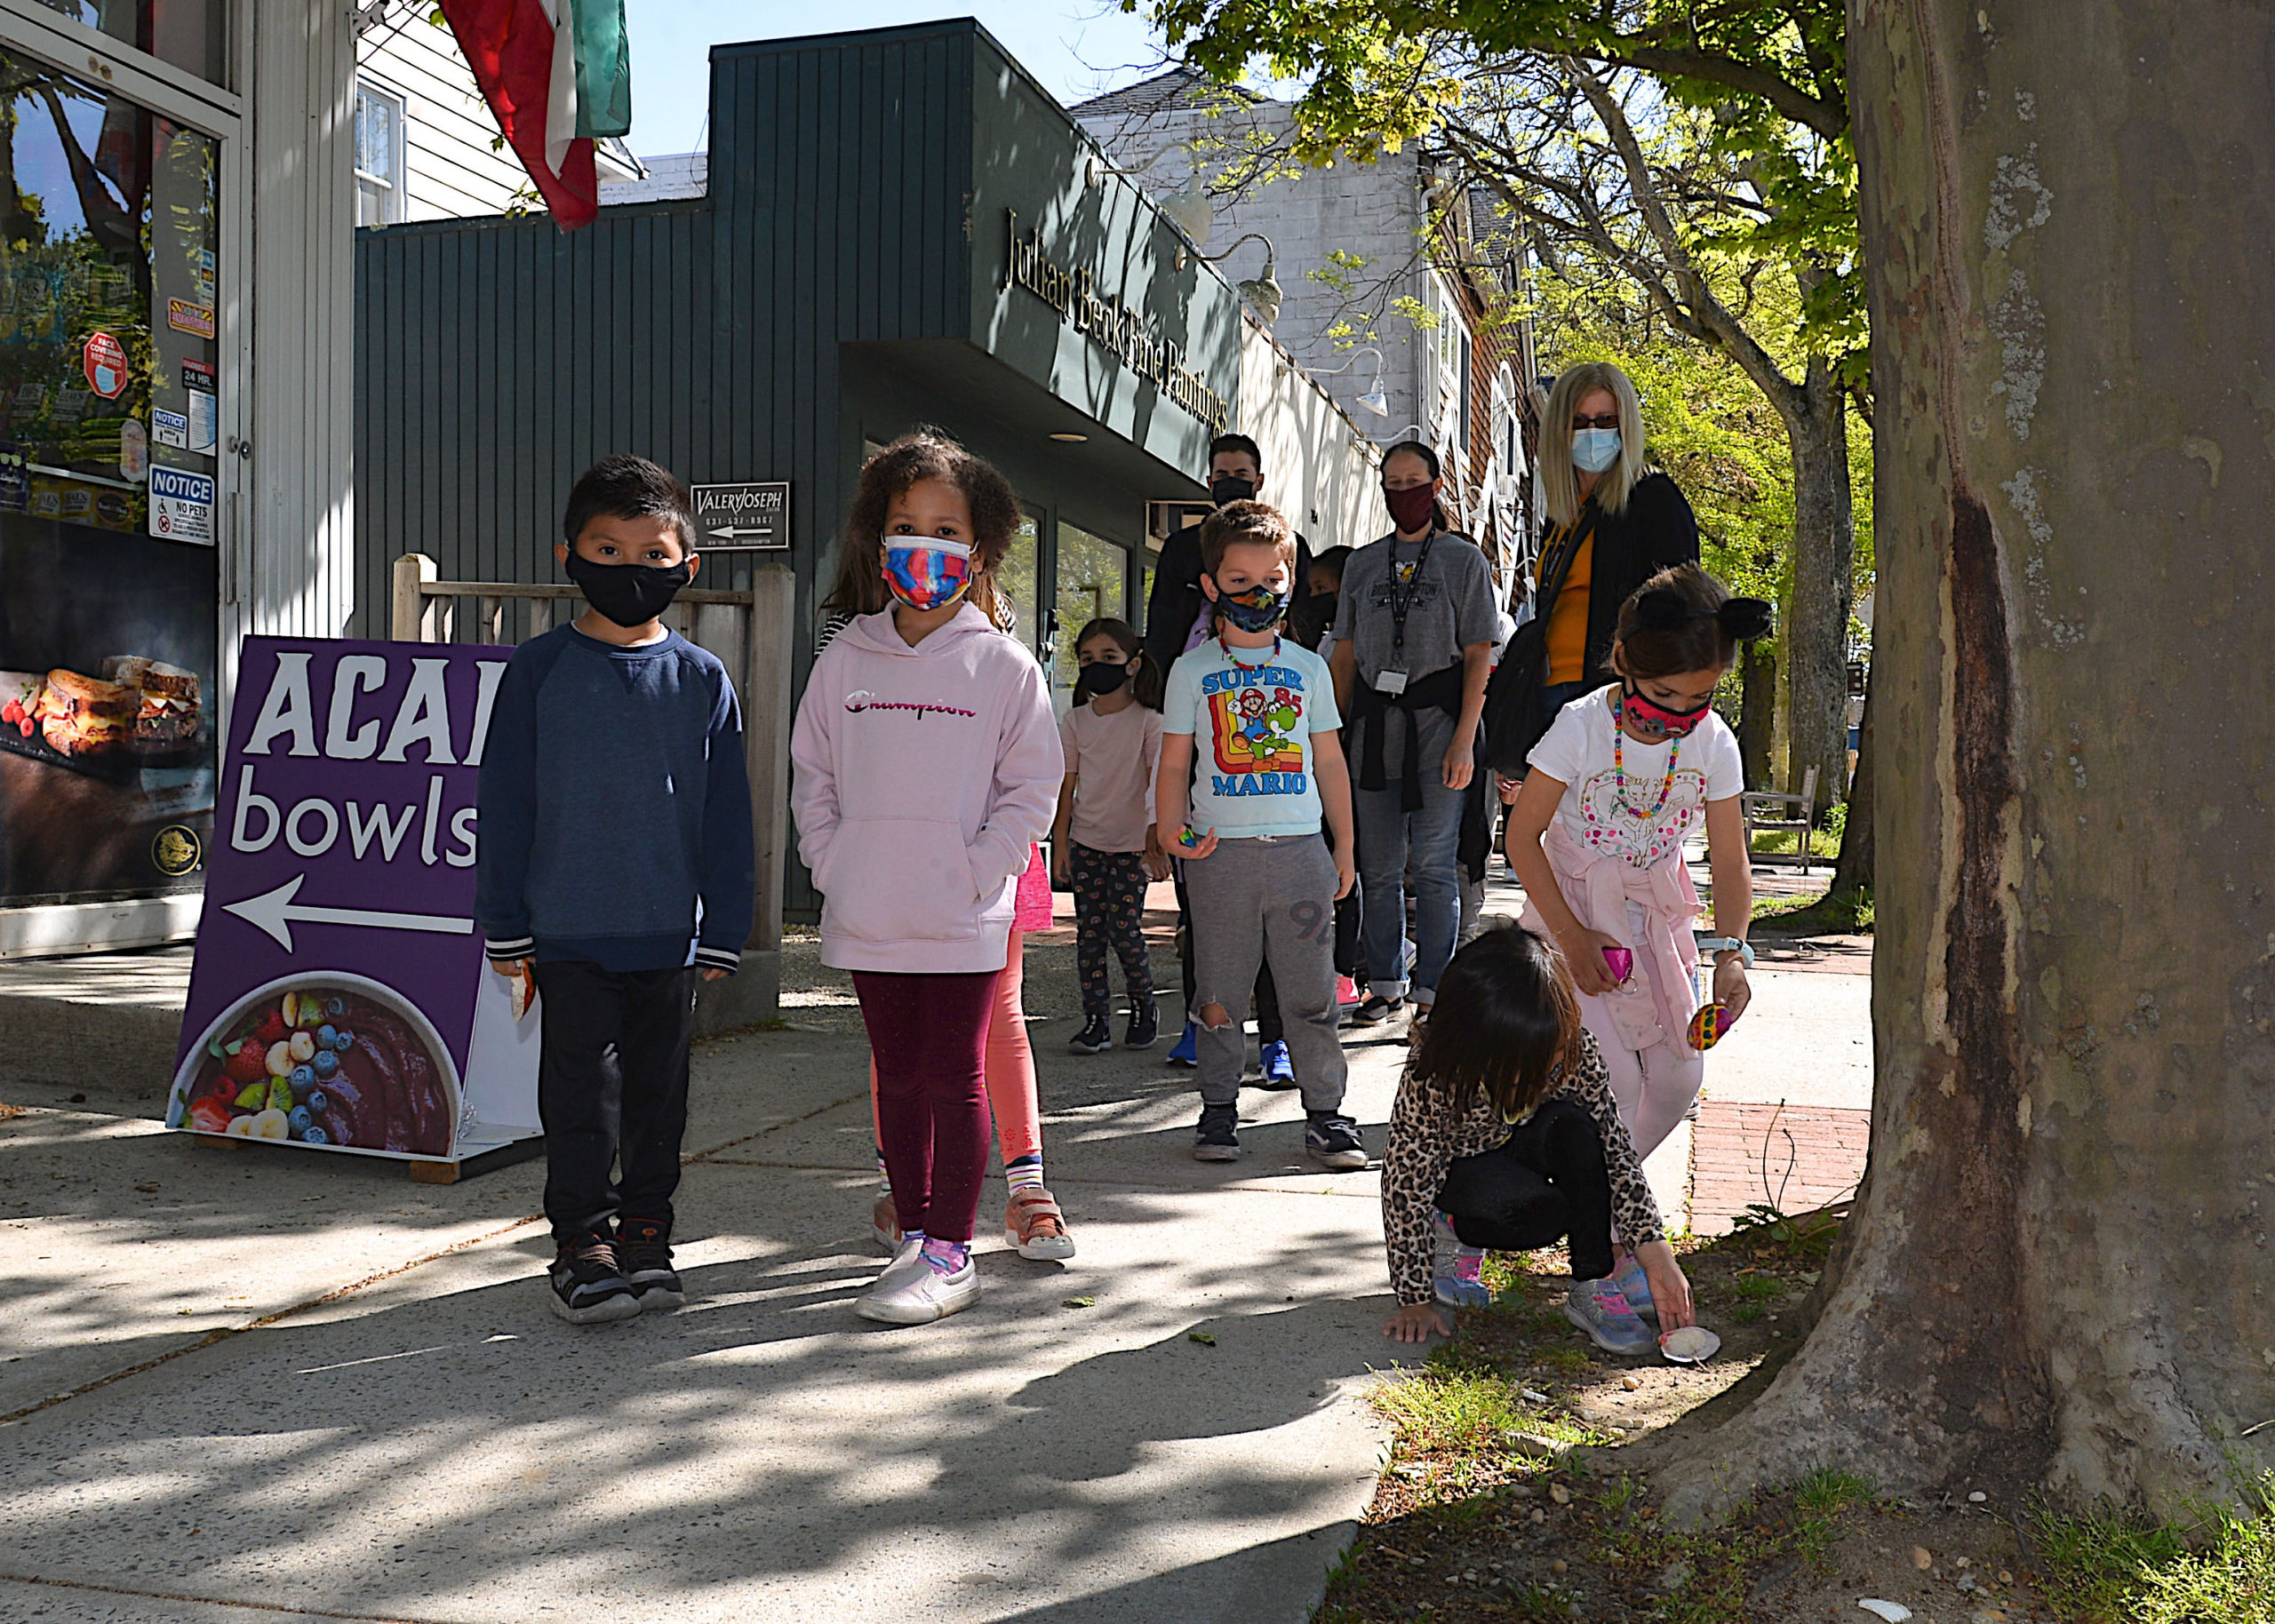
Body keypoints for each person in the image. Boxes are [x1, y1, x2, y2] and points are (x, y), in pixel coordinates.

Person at [476, 455, 755, 1325]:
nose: (630, 567)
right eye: (607, 546)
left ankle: (647, 1234)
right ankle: (583, 1244)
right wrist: (506, 926)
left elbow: (727, 815)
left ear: (688, 567)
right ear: (570, 553)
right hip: (565, 934)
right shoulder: (537, 670)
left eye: (652, 550)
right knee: (579, 1100)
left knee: (657, 1101)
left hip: (667, 938)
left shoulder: (703, 680)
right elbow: (504, 803)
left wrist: (726, 925)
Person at [791, 431, 1063, 1325]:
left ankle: (952, 1248)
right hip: (870, 909)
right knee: (896, 1073)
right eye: (906, 525)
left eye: (945, 529)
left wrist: (978, 871)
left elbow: (1032, 787)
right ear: (879, 539)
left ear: (977, 550)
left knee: (954, 1073)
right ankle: (914, 1232)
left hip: (962, 916)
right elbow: (814, 774)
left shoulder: (1002, 666)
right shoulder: (846, 660)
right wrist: (833, 861)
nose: (925, 546)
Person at [1505, 565, 1768, 1308]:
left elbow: (1728, 856)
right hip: (1572, 919)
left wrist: (1733, 957)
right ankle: (1600, 1251)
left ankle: (1604, 1220)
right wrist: (1572, 936)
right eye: (1663, 696)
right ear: (1623, 660)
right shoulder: (1581, 726)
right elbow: (1521, 837)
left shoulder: (1714, 743)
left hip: (1653, 927)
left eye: (1700, 697)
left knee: (1681, 1077)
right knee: (1613, 1082)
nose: (1680, 715)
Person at [1155, 499, 1365, 1168]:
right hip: (1222, 860)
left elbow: (1330, 760)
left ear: (1291, 582)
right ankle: (1218, 1110)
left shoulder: (1308, 669)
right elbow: (1174, 760)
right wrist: (1168, 827)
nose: (1256, 594)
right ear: (1211, 586)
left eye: (1270, 581)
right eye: (1238, 581)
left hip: (1302, 853)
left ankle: (1326, 1114)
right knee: (1217, 990)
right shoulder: (1191, 672)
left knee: (1311, 993)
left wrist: (1346, 845)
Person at [1379, 926, 1695, 1354]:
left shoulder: (1574, 1048)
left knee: (1579, 1130)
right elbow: (1406, 1183)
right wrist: (1413, 1298)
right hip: (1465, 1173)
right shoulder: (1433, 1072)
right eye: (1524, 1065)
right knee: (1536, 1217)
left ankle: (1594, 1281)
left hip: (1528, 1149)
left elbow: (1615, 1152)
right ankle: (1452, 1231)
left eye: (1556, 1054)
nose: (1550, 1068)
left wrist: (1655, 1251)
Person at [1148, 434, 1318, 1076]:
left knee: (1279, 922)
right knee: (1206, 905)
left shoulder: (1278, 552)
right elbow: (1162, 624)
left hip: (1275, 777)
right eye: (1221, 475)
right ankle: (1205, 1021)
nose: (1231, 483)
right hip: (1205, 750)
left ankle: (1275, 1036)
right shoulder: (1184, 553)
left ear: (1260, 478)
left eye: (1241, 475)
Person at [1329, 441, 1500, 1026]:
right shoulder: (1362, 564)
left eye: (1415, 481)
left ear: (1435, 486)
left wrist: (1466, 741)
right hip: (1375, 730)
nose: (1405, 493)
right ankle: (1383, 982)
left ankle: (1433, 991)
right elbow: (1345, 655)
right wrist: (1332, 733)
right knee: (1376, 869)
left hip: (1440, 725)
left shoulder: (1462, 561)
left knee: (1433, 865)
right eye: (1393, 483)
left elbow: (1480, 654)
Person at [1528, 362, 1701, 720]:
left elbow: (1681, 606)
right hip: (1547, 690)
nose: (1593, 432)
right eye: (1579, 421)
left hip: (1614, 695)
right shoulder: (1562, 512)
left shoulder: (1653, 499)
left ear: (1626, 426)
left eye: (1606, 420)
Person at [1053, 617, 1169, 1055]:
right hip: (1087, 843)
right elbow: (1067, 785)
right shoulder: (1075, 720)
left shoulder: (1149, 722)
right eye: (1087, 659)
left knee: (1124, 930)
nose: (1097, 666)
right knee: (1090, 935)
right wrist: (1060, 844)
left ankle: (1143, 1007)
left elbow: (1160, 781)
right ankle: (1096, 1020)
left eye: (1109, 657)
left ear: (1133, 665)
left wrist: (1155, 839)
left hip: (1131, 847)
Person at [1300, 545, 1364, 1009]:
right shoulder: (1313, 644)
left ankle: (1346, 966)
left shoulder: (1357, 637)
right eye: (1313, 591)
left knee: (1346, 868)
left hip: (1347, 759)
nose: (1318, 597)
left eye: (1326, 589)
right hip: (1310, 764)